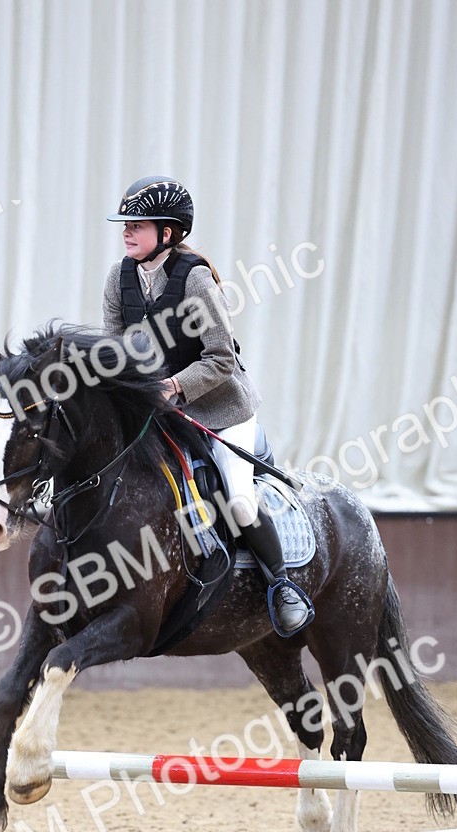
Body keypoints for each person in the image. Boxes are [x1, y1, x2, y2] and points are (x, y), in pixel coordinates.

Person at [102, 175, 313, 636]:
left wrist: (173, 386)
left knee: (237, 500)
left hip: (221, 410)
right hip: (161, 413)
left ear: (169, 232)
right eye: (127, 225)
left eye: (138, 225)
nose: (126, 232)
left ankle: (283, 586)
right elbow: (116, 351)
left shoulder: (195, 280)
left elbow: (221, 360)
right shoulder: (120, 279)